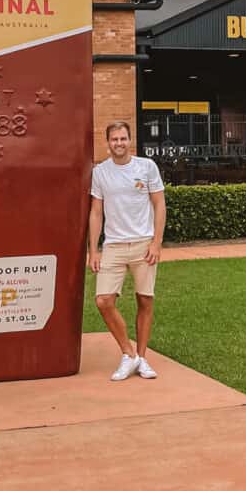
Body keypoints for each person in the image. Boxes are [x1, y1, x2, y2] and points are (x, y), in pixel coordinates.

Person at [88, 121, 166, 381]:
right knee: (103, 300)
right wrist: (94, 250)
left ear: (130, 140)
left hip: (144, 244)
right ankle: (128, 354)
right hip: (113, 245)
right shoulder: (100, 172)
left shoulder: (146, 167)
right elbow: (96, 212)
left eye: (123, 139)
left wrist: (156, 243)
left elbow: (159, 205)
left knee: (145, 299)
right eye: (114, 139)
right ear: (107, 142)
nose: (119, 143)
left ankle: (142, 359)